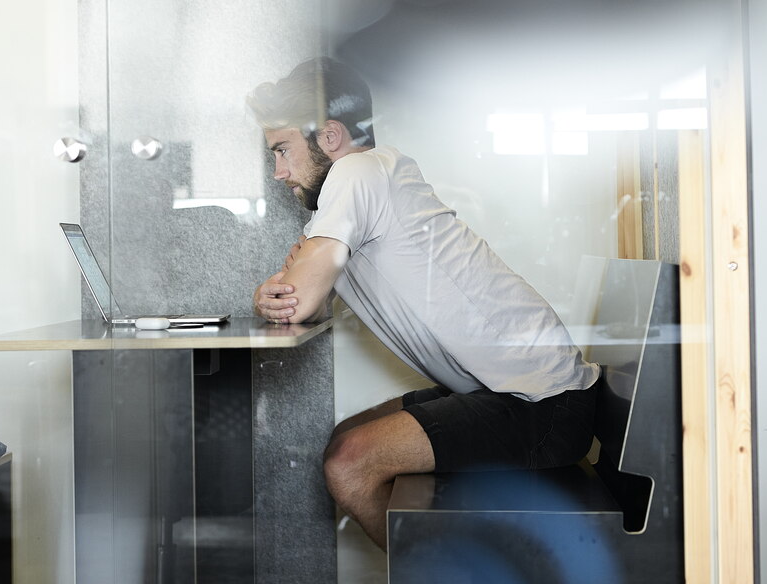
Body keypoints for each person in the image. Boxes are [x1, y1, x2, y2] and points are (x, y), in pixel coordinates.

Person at [246, 58, 600, 550]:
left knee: (348, 462)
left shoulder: (357, 172)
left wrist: (286, 289)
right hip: (504, 392)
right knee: (348, 434)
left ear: (329, 137)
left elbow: (299, 297)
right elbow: (300, 296)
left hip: (543, 404)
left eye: (282, 150)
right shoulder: (360, 186)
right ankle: (444, 567)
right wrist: (272, 292)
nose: (279, 172)